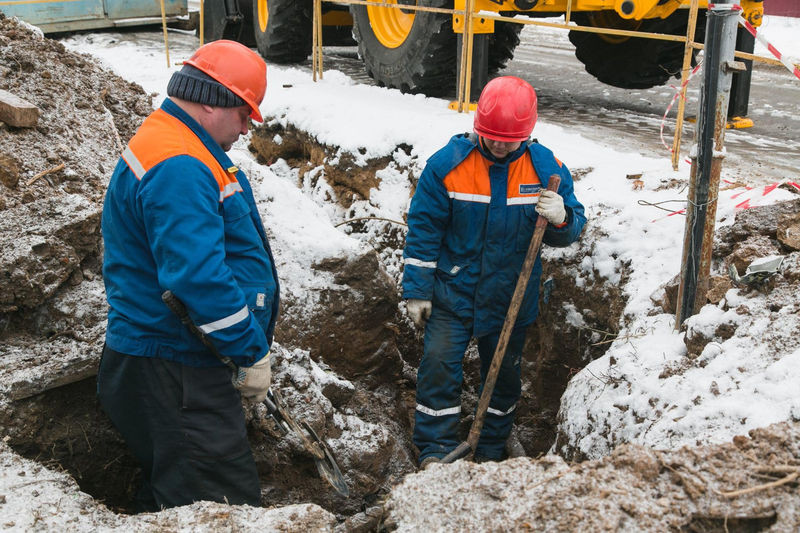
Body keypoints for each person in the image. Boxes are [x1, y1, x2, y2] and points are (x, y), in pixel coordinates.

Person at [97, 40, 279, 511]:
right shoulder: (180, 161)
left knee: (179, 490)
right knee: (220, 506)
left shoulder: (179, 143)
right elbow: (198, 277)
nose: (246, 127)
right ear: (211, 100)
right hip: (176, 369)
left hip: (170, 361)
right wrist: (248, 351)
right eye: (243, 113)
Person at [402, 76, 586, 467]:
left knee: (503, 377)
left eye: (509, 140)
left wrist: (561, 218)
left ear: (527, 134)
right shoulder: (447, 167)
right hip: (453, 291)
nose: (500, 146)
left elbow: (571, 229)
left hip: (510, 296)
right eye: (492, 138)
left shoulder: (545, 168)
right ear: (478, 127)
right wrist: (417, 290)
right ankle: (435, 449)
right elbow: (423, 231)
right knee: (438, 365)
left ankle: (489, 449)